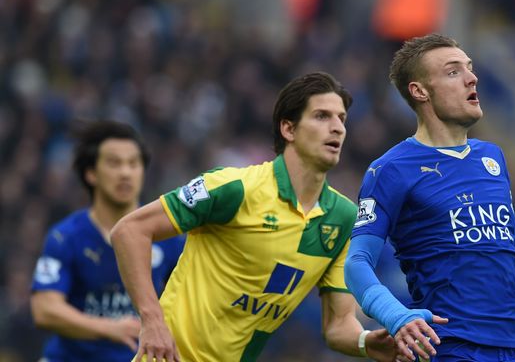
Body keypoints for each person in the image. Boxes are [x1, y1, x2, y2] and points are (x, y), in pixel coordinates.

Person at [345, 34, 515, 362]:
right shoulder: (391, 169)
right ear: (420, 91)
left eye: (469, 68)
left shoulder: (491, 157)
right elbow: (356, 264)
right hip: (453, 349)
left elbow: (503, 246)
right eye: (453, 72)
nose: (472, 77)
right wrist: (397, 316)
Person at [110, 72, 397, 362]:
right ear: (288, 129)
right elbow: (130, 231)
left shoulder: (344, 219)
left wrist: (365, 342)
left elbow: (338, 326)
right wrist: (152, 320)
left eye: (342, 119)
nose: (337, 128)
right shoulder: (234, 189)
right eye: (322, 116)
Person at [30, 120, 185, 361]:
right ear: (91, 173)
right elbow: (44, 310)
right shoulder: (65, 236)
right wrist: (109, 328)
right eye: (114, 163)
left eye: (133, 164)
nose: (125, 172)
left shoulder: (169, 239)